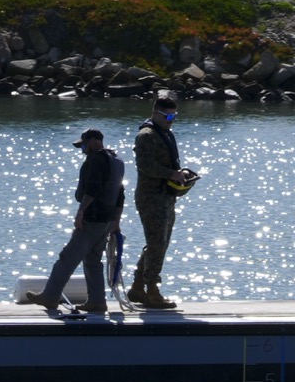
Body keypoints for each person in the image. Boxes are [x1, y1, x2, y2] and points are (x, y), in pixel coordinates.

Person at [21, 127, 126, 316]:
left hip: (93, 219)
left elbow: (92, 189)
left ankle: (50, 297)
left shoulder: (95, 160)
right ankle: (97, 302)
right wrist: (116, 222)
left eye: (84, 145)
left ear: (95, 142)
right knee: (93, 260)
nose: (83, 150)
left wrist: (80, 212)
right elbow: (120, 194)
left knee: (67, 258)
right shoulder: (116, 161)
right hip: (107, 221)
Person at [128, 91, 198, 309]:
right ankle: (152, 291)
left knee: (159, 243)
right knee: (157, 243)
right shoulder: (146, 136)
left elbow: (168, 164)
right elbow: (145, 166)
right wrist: (171, 174)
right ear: (156, 114)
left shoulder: (166, 134)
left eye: (174, 117)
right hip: (151, 197)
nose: (171, 121)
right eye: (168, 117)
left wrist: (181, 173)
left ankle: (138, 287)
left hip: (166, 196)